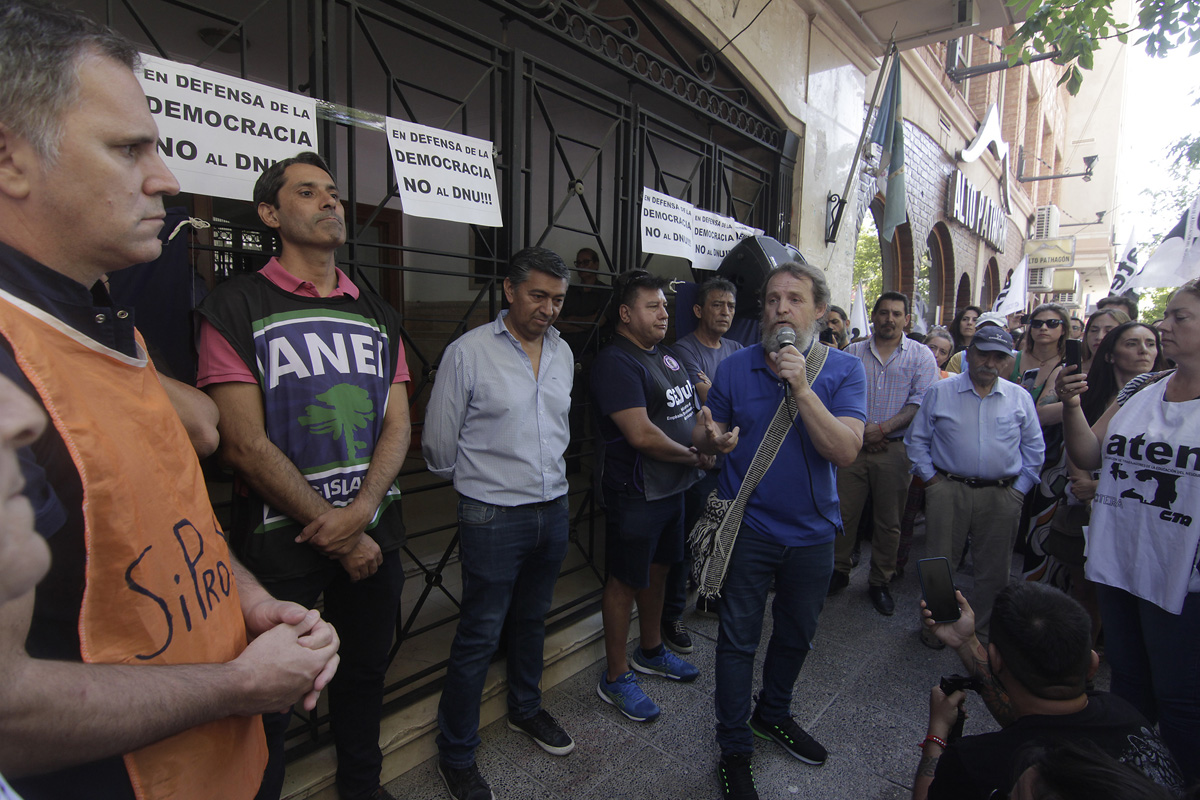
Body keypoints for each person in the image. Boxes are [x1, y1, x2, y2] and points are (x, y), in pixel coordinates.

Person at [0, 5, 339, 799]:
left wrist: (253, 606)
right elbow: (9, 711)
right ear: (9, 160)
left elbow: (169, 516)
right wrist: (237, 687)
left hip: (235, 761)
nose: (167, 179)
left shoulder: (107, 322)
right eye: (128, 149)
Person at [198, 152, 407, 800]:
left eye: (335, 193)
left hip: (375, 533)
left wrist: (363, 513)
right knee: (269, 696)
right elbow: (243, 444)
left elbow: (398, 424)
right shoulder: (233, 305)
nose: (330, 202)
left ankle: (363, 789)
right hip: (278, 543)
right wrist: (341, 532)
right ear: (270, 213)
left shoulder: (375, 308)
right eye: (309, 192)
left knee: (365, 672)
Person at [693, 261, 867, 800]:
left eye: (794, 298)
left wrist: (801, 386)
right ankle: (734, 747)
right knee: (737, 642)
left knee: (797, 634)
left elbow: (844, 449)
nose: (780, 309)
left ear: (818, 310)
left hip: (814, 535)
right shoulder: (733, 367)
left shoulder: (843, 371)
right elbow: (710, 440)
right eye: (771, 299)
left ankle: (774, 713)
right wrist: (710, 441)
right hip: (750, 530)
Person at [422, 247, 575, 800]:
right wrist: (486, 481)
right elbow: (439, 447)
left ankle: (525, 709)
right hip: (491, 515)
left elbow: (557, 430)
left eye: (557, 299)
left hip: (552, 509)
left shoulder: (564, 353)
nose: (548, 309)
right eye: (538, 295)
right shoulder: (469, 353)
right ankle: (457, 753)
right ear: (510, 291)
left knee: (532, 619)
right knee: (481, 632)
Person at [1057, 279, 1200, 780]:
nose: (1164, 326)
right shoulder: (1142, 388)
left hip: (1183, 580)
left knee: (1180, 695)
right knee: (1131, 682)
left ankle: (1180, 780)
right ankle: (1130, 775)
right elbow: (1089, 454)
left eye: (1180, 317)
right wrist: (1072, 406)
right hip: (1121, 562)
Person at [912, 583, 1183, 800]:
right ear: (1092, 664)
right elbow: (1037, 721)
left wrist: (937, 734)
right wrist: (966, 642)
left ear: (996, 659)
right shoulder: (1124, 713)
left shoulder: (976, 765)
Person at [591, 270, 707, 723]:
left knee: (659, 572)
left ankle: (652, 649)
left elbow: (689, 413)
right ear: (625, 314)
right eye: (652, 306)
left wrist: (711, 438)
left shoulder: (666, 357)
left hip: (672, 489)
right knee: (625, 581)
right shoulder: (616, 363)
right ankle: (616, 676)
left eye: (664, 305)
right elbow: (640, 434)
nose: (664, 313)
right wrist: (695, 457)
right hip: (635, 492)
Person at [905, 326, 1044, 644]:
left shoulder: (1019, 398)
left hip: (1001, 495)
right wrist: (933, 482)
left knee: (994, 570)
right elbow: (917, 441)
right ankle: (937, 627)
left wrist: (1018, 491)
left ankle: (981, 631)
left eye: (999, 357)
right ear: (969, 354)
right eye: (983, 354)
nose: (990, 362)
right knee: (939, 565)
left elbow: (1035, 451)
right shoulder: (941, 392)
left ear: (1008, 362)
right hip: (948, 489)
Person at [829, 292, 938, 615]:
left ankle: (880, 581)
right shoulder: (852, 353)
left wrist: (884, 429)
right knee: (843, 514)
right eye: (884, 312)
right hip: (854, 446)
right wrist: (864, 432)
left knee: (889, 521)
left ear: (906, 319)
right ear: (873, 316)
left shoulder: (920, 356)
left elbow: (920, 401)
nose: (889, 319)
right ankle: (838, 571)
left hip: (894, 449)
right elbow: (835, 395)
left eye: (897, 314)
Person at [663, 277, 744, 647]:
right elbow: (710, 398)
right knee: (685, 543)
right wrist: (729, 394)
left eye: (730, 306)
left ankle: (710, 596)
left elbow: (733, 398)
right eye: (717, 305)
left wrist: (724, 393)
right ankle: (673, 615)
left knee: (722, 537)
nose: (725, 312)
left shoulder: (737, 347)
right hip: (699, 465)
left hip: (733, 465)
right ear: (698, 310)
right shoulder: (683, 350)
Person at [1009, 303, 1071, 587]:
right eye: (1037, 322)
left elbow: (1057, 413)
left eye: (1052, 323)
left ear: (1064, 329)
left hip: (1045, 453)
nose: (1043, 328)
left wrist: (1016, 406)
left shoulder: (1068, 367)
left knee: (1031, 519)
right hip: (1003, 449)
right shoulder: (1012, 359)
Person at [895, 327, 956, 575]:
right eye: (932, 347)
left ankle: (937, 574)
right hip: (908, 455)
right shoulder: (907, 371)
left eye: (943, 351)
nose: (936, 354)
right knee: (903, 518)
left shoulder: (950, 381)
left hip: (938, 461)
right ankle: (896, 566)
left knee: (940, 524)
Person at [944, 311, 1009, 375]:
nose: (990, 364)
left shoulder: (1016, 359)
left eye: (996, 329)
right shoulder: (960, 358)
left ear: (1007, 331)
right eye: (984, 329)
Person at [1081, 307, 1131, 375]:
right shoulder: (1069, 371)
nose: (1099, 337)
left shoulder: (1134, 374)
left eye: (1108, 331)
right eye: (1094, 330)